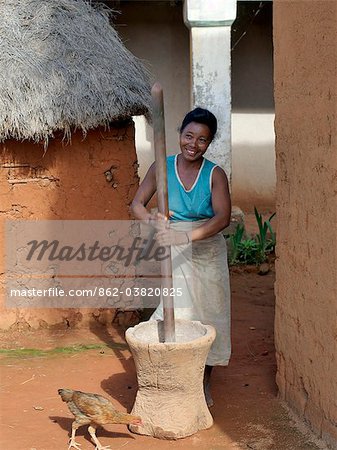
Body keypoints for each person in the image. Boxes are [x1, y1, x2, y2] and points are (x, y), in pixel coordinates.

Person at [131, 107, 231, 407]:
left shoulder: (215, 174)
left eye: (202, 139)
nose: (194, 144)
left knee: (211, 314)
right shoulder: (161, 167)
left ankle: (203, 382)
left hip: (207, 248)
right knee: (174, 311)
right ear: (180, 134)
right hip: (173, 249)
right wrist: (153, 222)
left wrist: (186, 236)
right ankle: (170, 377)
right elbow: (136, 204)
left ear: (209, 143)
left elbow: (223, 218)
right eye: (189, 136)